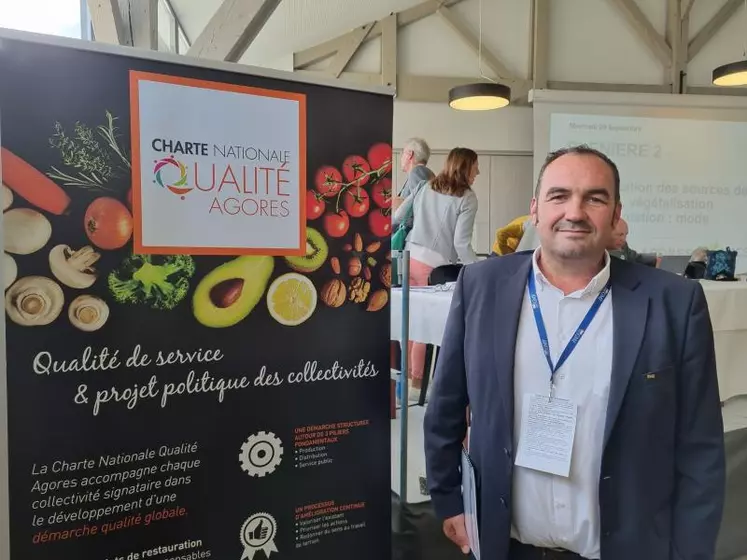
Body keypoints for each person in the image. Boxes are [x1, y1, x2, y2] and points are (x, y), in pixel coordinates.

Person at [424, 145, 725, 560]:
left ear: (616, 213)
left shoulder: (674, 302)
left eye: (595, 198)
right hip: (505, 545)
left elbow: (700, 444)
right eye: (559, 195)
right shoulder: (481, 286)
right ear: (534, 208)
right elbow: (445, 407)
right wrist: (448, 499)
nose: (575, 211)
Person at [393, 147, 480, 397]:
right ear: (465, 167)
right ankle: (416, 385)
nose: (478, 172)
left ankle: (401, 382)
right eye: (475, 166)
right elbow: (461, 244)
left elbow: (405, 217)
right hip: (434, 264)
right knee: (424, 324)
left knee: (407, 322)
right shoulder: (467, 197)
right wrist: (479, 269)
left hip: (409, 257)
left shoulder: (426, 186)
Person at [393, 137, 435, 213]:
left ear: (410, 154)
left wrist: (400, 207)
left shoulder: (417, 172)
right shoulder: (426, 173)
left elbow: (420, 210)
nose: (401, 157)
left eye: (403, 153)